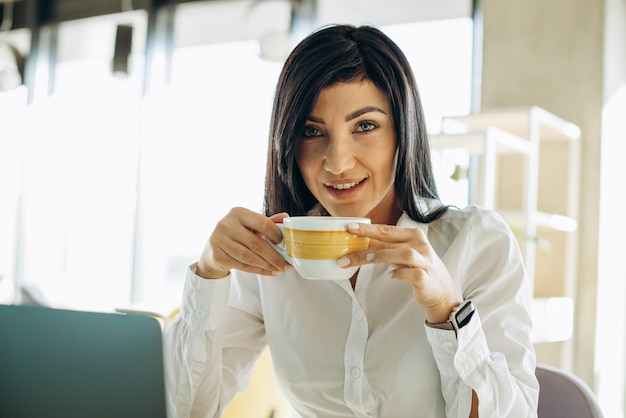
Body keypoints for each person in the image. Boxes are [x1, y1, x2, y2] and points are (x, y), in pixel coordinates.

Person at [163, 24, 539, 418]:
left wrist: (448, 311)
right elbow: (187, 408)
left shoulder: (478, 243)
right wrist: (209, 272)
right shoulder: (271, 252)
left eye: (365, 126)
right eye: (312, 131)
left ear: (403, 133)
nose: (337, 163)